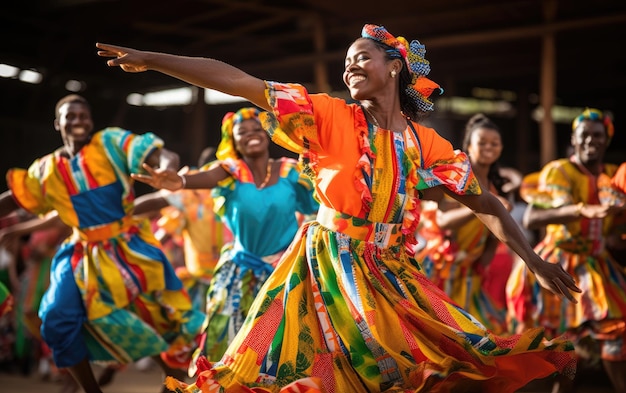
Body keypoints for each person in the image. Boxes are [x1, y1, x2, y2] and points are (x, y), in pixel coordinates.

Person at [97, 24, 581, 393]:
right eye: (347, 61)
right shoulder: (326, 114)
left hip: (393, 270)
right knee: (353, 367)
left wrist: (532, 259)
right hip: (327, 264)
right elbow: (239, 80)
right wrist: (154, 60)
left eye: (361, 58)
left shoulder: (425, 142)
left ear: (394, 67)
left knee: (446, 358)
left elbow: (484, 200)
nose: (349, 67)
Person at [0, 94, 205, 393]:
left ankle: (175, 379)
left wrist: (166, 169)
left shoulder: (111, 143)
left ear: (91, 121)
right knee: (56, 318)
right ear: (58, 123)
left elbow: (159, 154)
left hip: (129, 249)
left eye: (83, 115)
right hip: (81, 254)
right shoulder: (47, 170)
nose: (78, 120)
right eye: (70, 116)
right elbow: (15, 199)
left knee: (154, 319)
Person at [133, 108, 319, 376]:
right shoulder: (230, 172)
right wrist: (181, 181)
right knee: (228, 344)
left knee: (284, 347)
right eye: (242, 132)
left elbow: (319, 205)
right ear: (233, 140)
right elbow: (207, 178)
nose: (251, 135)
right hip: (239, 275)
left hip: (284, 274)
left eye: (257, 129)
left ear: (267, 135)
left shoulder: (290, 172)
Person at [507, 108, 626, 393]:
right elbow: (531, 217)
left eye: (597, 136)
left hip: (597, 263)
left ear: (606, 140)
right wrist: (581, 210)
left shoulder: (614, 176)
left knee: (617, 328)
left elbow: (614, 230)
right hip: (559, 262)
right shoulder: (560, 171)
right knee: (561, 347)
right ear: (574, 139)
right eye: (583, 136)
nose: (590, 141)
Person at [416, 113, 514, 334]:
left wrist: (483, 262)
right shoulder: (457, 179)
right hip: (441, 269)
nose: (489, 147)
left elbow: (492, 237)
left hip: (469, 275)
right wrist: (486, 206)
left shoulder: (496, 186)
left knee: (483, 333)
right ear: (469, 145)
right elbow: (443, 221)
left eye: (494, 143)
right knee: (440, 333)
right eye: (482, 143)